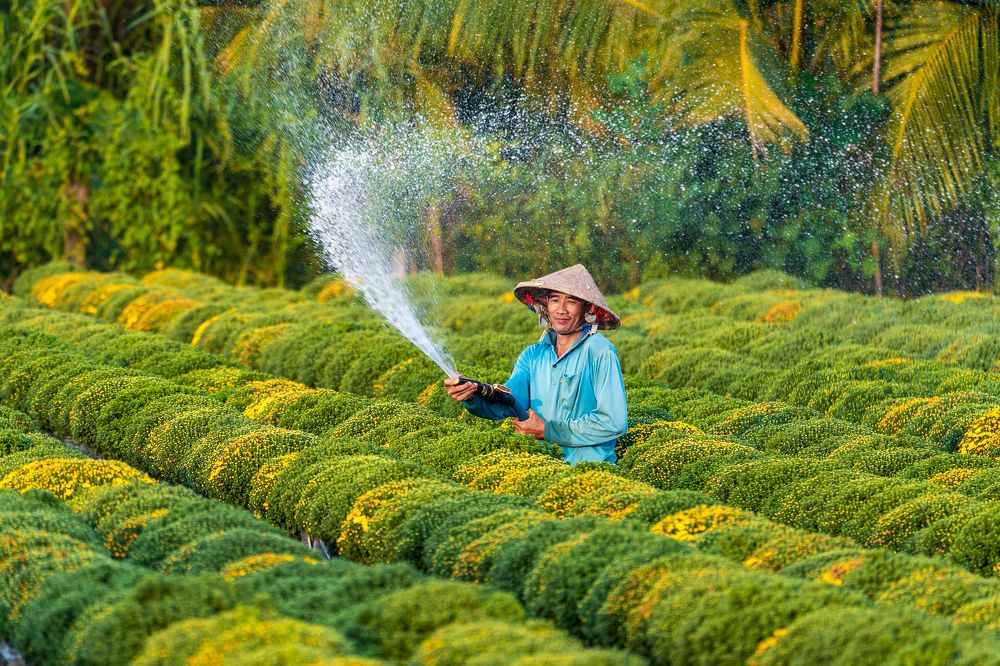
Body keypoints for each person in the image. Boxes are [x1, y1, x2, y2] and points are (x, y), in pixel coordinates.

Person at [445, 264, 628, 464]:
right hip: (542, 463)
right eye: (555, 300)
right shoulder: (533, 355)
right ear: (546, 305)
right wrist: (472, 394)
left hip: (589, 470)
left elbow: (613, 422)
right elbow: (509, 403)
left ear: (588, 308)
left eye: (571, 301)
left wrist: (548, 430)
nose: (561, 310)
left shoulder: (599, 350)